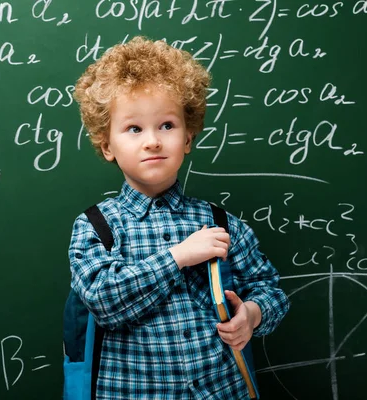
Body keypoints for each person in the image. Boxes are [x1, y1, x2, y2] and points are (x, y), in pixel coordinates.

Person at [68, 36, 290, 399]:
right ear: (107, 145)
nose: (153, 141)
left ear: (188, 136)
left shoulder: (221, 222)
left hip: (221, 390)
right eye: (134, 129)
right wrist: (179, 257)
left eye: (167, 125)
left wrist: (251, 314)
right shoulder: (96, 227)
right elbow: (103, 302)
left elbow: (270, 290)